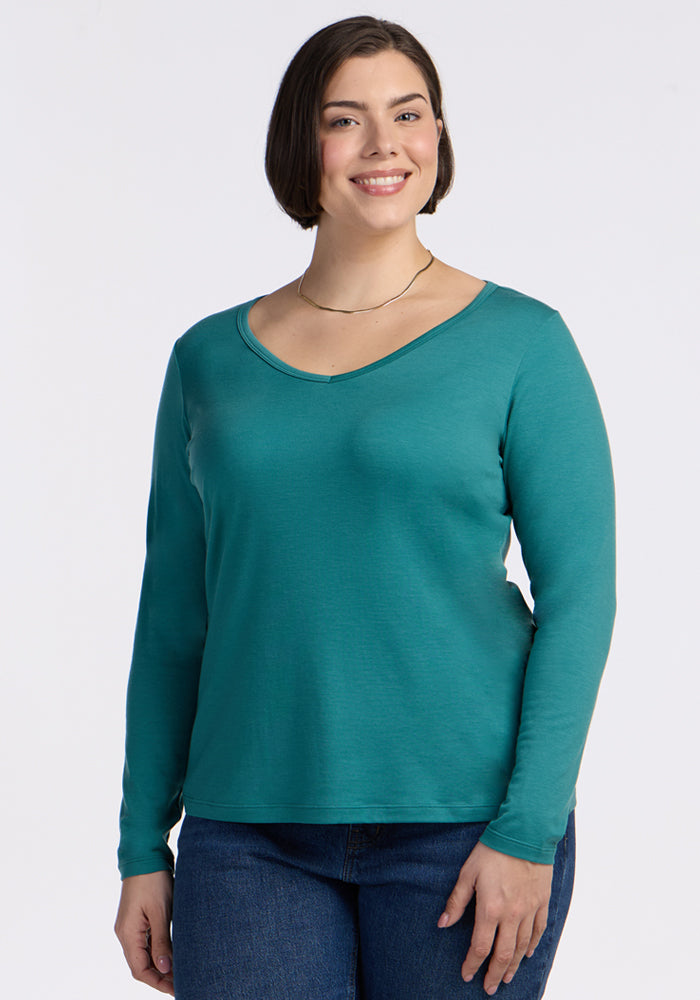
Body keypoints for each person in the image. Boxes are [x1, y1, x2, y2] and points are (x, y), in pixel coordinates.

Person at [114, 15, 616, 1000]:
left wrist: (527, 830)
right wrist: (141, 844)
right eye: (345, 119)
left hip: (464, 829)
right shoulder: (208, 359)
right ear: (300, 143)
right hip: (247, 835)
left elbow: (580, 601)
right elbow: (173, 617)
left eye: (409, 113)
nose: (385, 145)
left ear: (439, 134)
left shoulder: (522, 342)